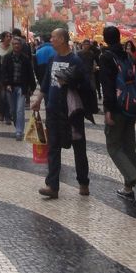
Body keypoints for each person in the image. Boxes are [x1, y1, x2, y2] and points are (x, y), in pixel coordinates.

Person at [31, 27, 90, 200]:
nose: (51, 39)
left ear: (62, 40)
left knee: (79, 148)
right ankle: (52, 185)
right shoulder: (52, 59)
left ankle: (83, 182)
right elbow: (46, 83)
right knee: (53, 148)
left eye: (54, 37)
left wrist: (70, 81)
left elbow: (86, 85)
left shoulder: (76, 60)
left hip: (71, 113)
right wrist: (39, 99)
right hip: (53, 109)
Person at [99, 25, 136, 206]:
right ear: (119, 37)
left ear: (105, 39)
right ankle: (128, 189)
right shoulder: (127, 55)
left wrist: (108, 110)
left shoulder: (106, 57)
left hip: (117, 107)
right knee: (129, 147)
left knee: (113, 146)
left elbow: (107, 86)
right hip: (131, 105)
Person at [1, 36, 36, 141]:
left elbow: (30, 74)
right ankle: (18, 126)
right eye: (14, 44)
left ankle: (19, 131)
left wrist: (31, 87)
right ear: (12, 45)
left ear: (21, 46)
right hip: (10, 87)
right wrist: (6, 84)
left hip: (21, 87)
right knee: (13, 110)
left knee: (20, 110)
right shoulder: (7, 58)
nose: (16, 45)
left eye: (18, 44)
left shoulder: (25, 59)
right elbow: (3, 72)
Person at [0, 31, 13, 124]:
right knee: (1, 96)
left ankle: (8, 116)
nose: (9, 38)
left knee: (8, 96)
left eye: (10, 36)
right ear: (3, 37)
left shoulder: (12, 47)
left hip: (9, 73)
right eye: (7, 36)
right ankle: (2, 113)